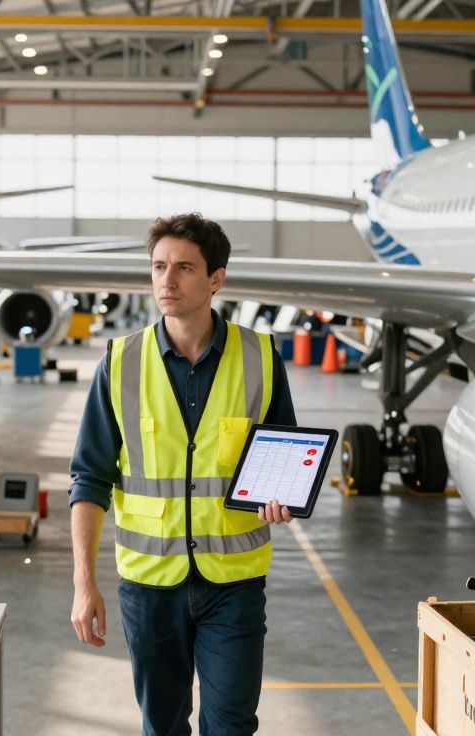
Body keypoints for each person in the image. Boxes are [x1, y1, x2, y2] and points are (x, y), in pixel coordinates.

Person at [68, 213, 297, 736]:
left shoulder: (260, 358)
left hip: (233, 584)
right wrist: (84, 583)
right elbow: (89, 479)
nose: (166, 281)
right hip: (149, 586)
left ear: (216, 278)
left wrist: (281, 497)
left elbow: (283, 456)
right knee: (163, 725)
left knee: (232, 724)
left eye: (184, 268)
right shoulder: (120, 361)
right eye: (158, 267)